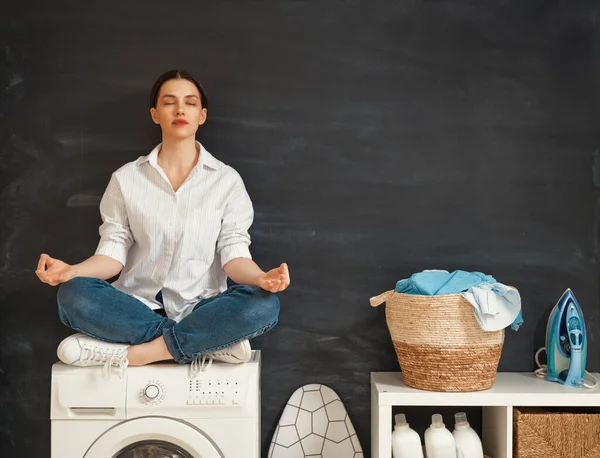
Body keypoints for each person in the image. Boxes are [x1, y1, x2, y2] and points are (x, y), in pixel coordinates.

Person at [35, 70, 289, 377]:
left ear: (202, 115)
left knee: (264, 304)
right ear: (155, 114)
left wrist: (262, 278)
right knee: (73, 294)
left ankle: (144, 352)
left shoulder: (227, 181)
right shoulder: (126, 179)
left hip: (203, 308)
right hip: (135, 308)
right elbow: (112, 255)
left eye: (190, 103)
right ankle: (204, 342)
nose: (180, 110)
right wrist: (72, 271)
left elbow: (234, 257)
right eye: (169, 102)